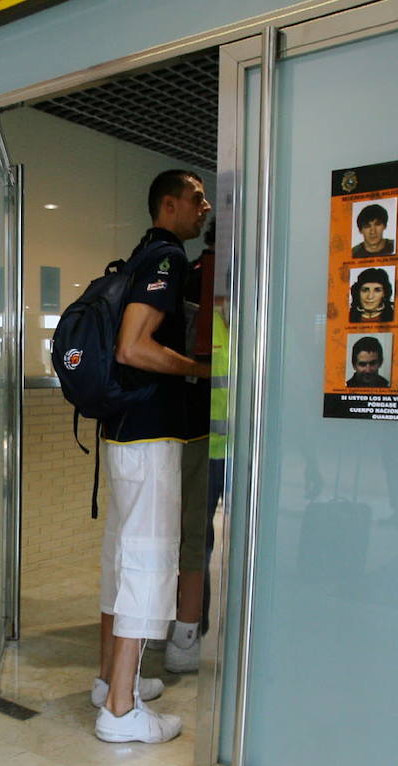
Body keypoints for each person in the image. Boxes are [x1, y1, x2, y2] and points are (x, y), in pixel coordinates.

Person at [93, 169, 212, 743]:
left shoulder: (140, 254)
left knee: (122, 556)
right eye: (196, 198)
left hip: (124, 432)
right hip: (151, 433)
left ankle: (109, 682)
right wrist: (197, 370)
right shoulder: (166, 260)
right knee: (149, 560)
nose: (204, 207)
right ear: (169, 204)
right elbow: (134, 346)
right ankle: (120, 710)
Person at [164, 225, 228, 674]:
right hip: (211, 431)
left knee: (189, 533)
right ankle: (186, 633)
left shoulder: (189, 277)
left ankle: (181, 628)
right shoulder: (206, 282)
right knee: (194, 537)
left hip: (190, 429)